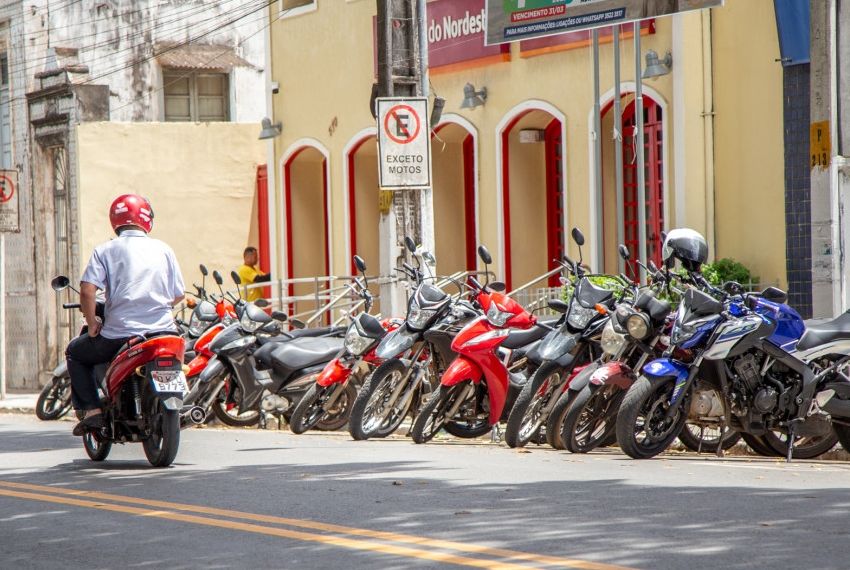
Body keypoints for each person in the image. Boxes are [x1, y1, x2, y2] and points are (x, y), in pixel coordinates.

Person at [67, 194, 185, 436]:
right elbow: (178, 294)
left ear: (115, 220)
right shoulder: (164, 249)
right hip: (164, 332)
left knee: (75, 353)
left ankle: (92, 412)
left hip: (120, 335)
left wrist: (92, 324)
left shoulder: (105, 250)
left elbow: (88, 291)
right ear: (146, 218)